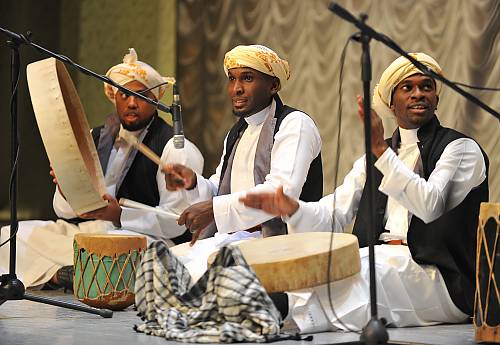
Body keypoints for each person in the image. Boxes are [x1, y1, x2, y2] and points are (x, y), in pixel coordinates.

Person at [240, 53, 489, 332]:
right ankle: (265, 314)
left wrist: (382, 153)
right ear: (391, 104)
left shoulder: (460, 149)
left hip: (441, 278)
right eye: (408, 88)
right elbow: (333, 213)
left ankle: (271, 315)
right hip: (381, 260)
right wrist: (292, 208)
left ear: (437, 98)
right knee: (331, 268)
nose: (418, 93)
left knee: (364, 276)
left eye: (426, 86)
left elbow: (430, 204)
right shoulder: (375, 158)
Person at [0, 48, 204, 289]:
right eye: (124, 95)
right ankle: (60, 275)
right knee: (12, 235)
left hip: (145, 237)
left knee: (115, 246)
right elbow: (64, 212)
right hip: (92, 229)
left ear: (156, 100)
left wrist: (118, 215)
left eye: (140, 96)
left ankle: (69, 273)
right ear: (113, 97)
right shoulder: (94, 137)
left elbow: (175, 221)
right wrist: (68, 191)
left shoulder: (175, 147)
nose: (131, 103)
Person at [162, 44, 323, 245]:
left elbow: (280, 193)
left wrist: (213, 209)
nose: (236, 89)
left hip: (282, 245)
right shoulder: (237, 132)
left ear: (273, 86)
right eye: (232, 79)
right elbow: (220, 190)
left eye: (247, 78)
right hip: (236, 241)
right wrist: (193, 182)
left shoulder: (295, 124)